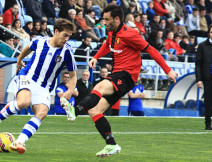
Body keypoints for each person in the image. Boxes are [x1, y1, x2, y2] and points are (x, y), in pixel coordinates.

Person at [60, 4, 178, 158]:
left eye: (107, 19)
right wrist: (96, 57)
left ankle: (75, 111)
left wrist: (167, 70)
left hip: (127, 75)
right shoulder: (111, 32)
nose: (104, 22)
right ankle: (111, 144)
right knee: (94, 111)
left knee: (100, 86)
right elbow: (107, 45)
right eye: (103, 19)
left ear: (117, 19)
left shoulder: (131, 34)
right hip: (118, 74)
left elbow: (151, 50)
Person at [0, 19, 77, 154]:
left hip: (44, 87)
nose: (67, 39)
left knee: (42, 112)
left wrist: (70, 90)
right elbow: (27, 48)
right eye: (65, 35)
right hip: (27, 77)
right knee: (23, 102)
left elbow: (73, 75)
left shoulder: (67, 52)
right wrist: (19, 60)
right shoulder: (40, 41)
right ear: (56, 31)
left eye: (69, 36)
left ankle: (19, 142)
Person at [195, 24, 212, 130]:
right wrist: (199, 79)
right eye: (211, 32)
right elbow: (198, 64)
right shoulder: (202, 46)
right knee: (208, 101)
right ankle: (208, 124)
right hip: (207, 78)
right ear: (208, 33)